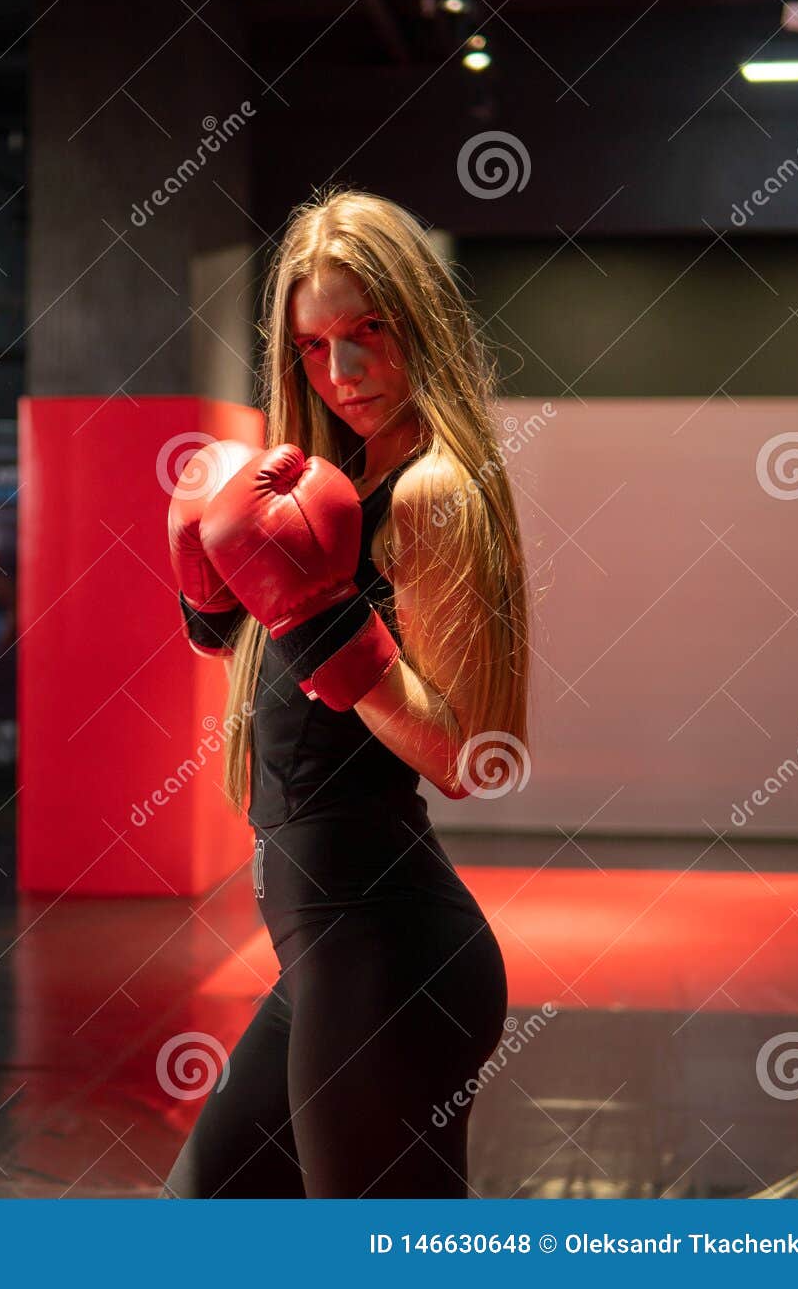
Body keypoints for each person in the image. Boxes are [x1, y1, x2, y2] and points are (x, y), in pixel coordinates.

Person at [161, 187, 530, 1198]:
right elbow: (296, 709)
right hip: (328, 959)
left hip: (387, 958)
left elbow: (470, 754)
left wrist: (321, 617)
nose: (347, 370)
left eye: (371, 331)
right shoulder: (334, 487)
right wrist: (213, 599)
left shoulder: (430, 493)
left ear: (423, 325)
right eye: (316, 346)